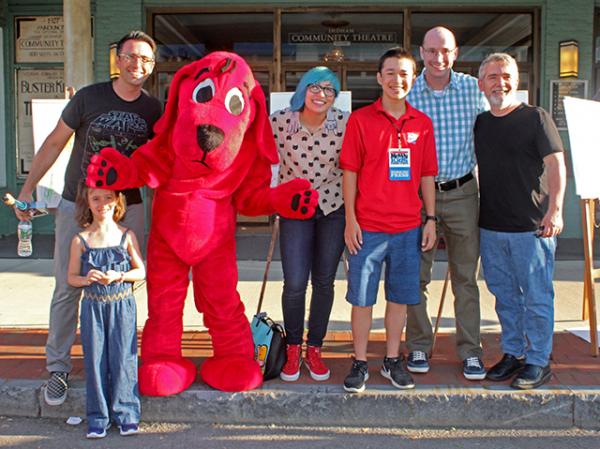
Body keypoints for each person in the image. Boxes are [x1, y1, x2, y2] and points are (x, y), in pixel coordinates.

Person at [14, 30, 162, 405]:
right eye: (131, 56)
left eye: (145, 59)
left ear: (153, 65)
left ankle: (117, 362)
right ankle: (58, 368)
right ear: (118, 59)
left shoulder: (153, 109)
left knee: (125, 285)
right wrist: (29, 188)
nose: (137, 65)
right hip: (77, 204)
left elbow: (161, 164)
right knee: (68, 286)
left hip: (129, 208)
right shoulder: (89, 97)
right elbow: (54, 142)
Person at [340, 47, 437, 393]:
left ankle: (393, 360)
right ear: (379, 78)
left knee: (400, 297)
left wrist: (431, 218)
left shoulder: (422, 124)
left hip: (408, 227)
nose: (398, 80)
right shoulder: (360, 120)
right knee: (362, 298)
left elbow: (427, 175)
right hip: (367, 228)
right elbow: (349, 173)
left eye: (405, 73)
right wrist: (350, 220)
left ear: (414, 79)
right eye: (391, 72)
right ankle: (360, 361)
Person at [475, 53, 566, 389]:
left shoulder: (536, 118)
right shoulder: (482, 123)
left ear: (517, 80)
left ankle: (539, 360)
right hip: (491, 225)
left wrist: (555, 210)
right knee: (504, 295)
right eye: (493, 76)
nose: (501, 82)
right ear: (482, 84)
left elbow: (557, 166)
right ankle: (513, 353)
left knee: (537, 296)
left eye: (506, 75)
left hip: (532, 227)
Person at [405, 26, 488, 379]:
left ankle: (470, 350)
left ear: (455, 53)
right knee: (415, 276)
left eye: (445, 51)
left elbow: (493, 130)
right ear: (421, 52)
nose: (438, 58)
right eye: (431, 51)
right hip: (416, 197)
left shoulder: (472, 89)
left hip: (462, 193)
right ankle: (419, 346)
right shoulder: (407, 90)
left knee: (465, 277)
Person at [270, 67, 349, 382]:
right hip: (294, 209)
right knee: (294, 283)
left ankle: (314, 347)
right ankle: (292, 347)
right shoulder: (280, 121)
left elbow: (355, 163)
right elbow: (259, 153)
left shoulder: (343, 122)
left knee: (325, 282)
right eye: (315, 87)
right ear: (303, 89)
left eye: (330, 90)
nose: (322, 94)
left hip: (333, 207)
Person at [67, 182, 145, 438]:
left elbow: (141, 271)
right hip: (93, 307)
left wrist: (119, 275)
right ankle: (98, 416)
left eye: (107, 198)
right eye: (95, 199)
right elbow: (71, 279)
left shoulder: (126, 235)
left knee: (124, 357)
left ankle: (126, 414)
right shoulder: (81, 240)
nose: (102, 204)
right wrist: (87, 277)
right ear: (87, 203)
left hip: (122, 304)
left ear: (117, 201)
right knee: (96, 359)